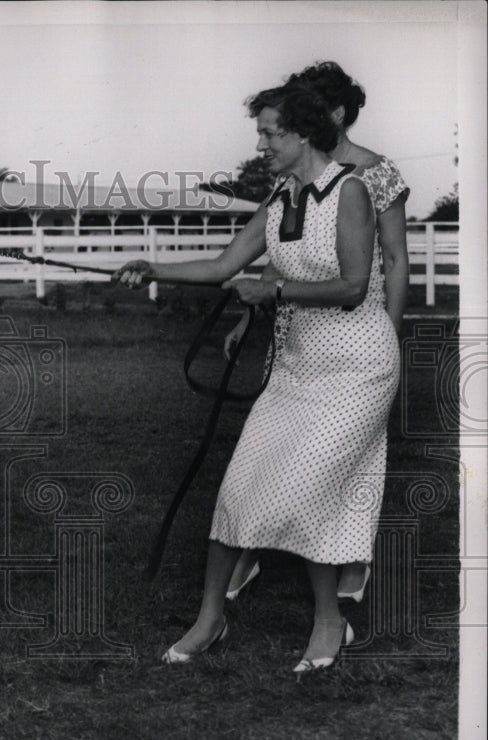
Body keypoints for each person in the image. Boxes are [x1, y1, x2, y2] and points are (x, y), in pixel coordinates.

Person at [116, 82, 399, 672]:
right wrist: (154, 268)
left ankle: (329, 623)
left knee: (309, 492)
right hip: (294, 368)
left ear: (305, 134)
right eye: (261, 132)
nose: (263, 142)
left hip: (357, 369)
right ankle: (210, 618)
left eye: (271, 132)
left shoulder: (350, 192)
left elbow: (352, 286)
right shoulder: (280, 196)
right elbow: (225, 263)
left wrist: (273, 289)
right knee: (238, 489)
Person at [225, 61, 411, 604]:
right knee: (278, 445)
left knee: (348, 453)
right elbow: (279, 252)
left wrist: (390, 334)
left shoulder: (375, 174)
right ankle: (249, 548)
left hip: (356, 325)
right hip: (298, 325)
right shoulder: (294, 174)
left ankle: (351, 565)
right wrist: (247, 314)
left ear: (333, 113)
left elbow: (395, 259)